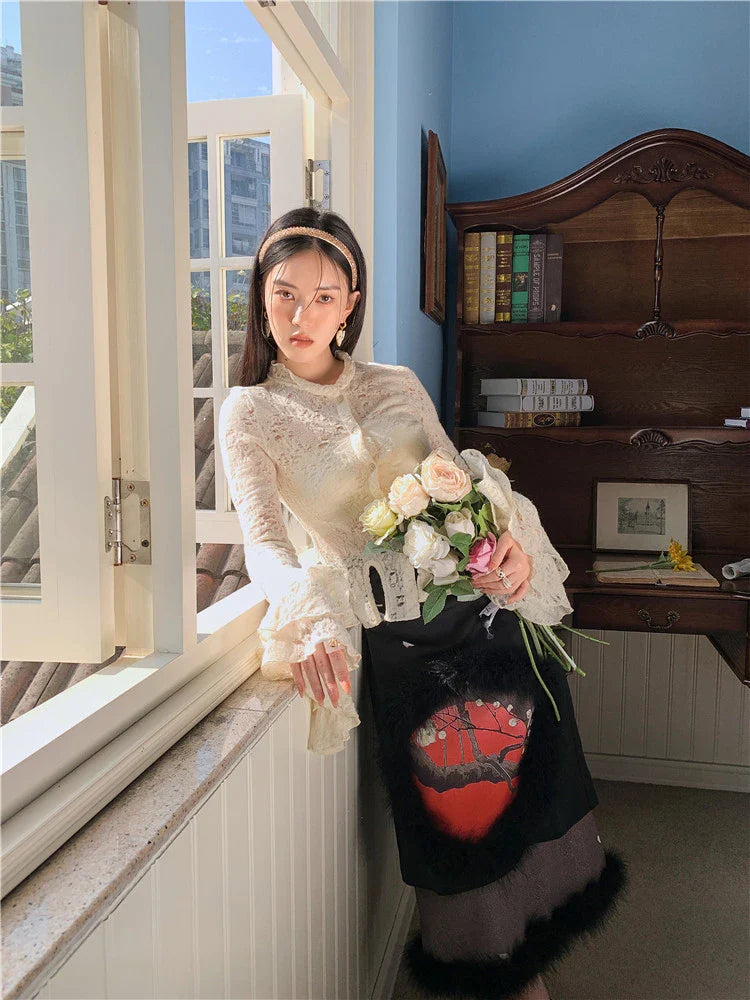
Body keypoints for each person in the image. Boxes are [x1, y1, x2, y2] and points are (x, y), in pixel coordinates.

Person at [218, 206, 628, 1000]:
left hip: (487, 621)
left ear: (353, 301)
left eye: (326, 296)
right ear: (260, 299)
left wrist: (506, 545)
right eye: (284, 294)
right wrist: (302, 614)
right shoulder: (249, 412)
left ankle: (532, 980)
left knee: (536, 813)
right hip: (409, 656)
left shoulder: (397, 384)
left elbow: (471, 489)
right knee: (464, 846)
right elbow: (264, 542)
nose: (303, 316)